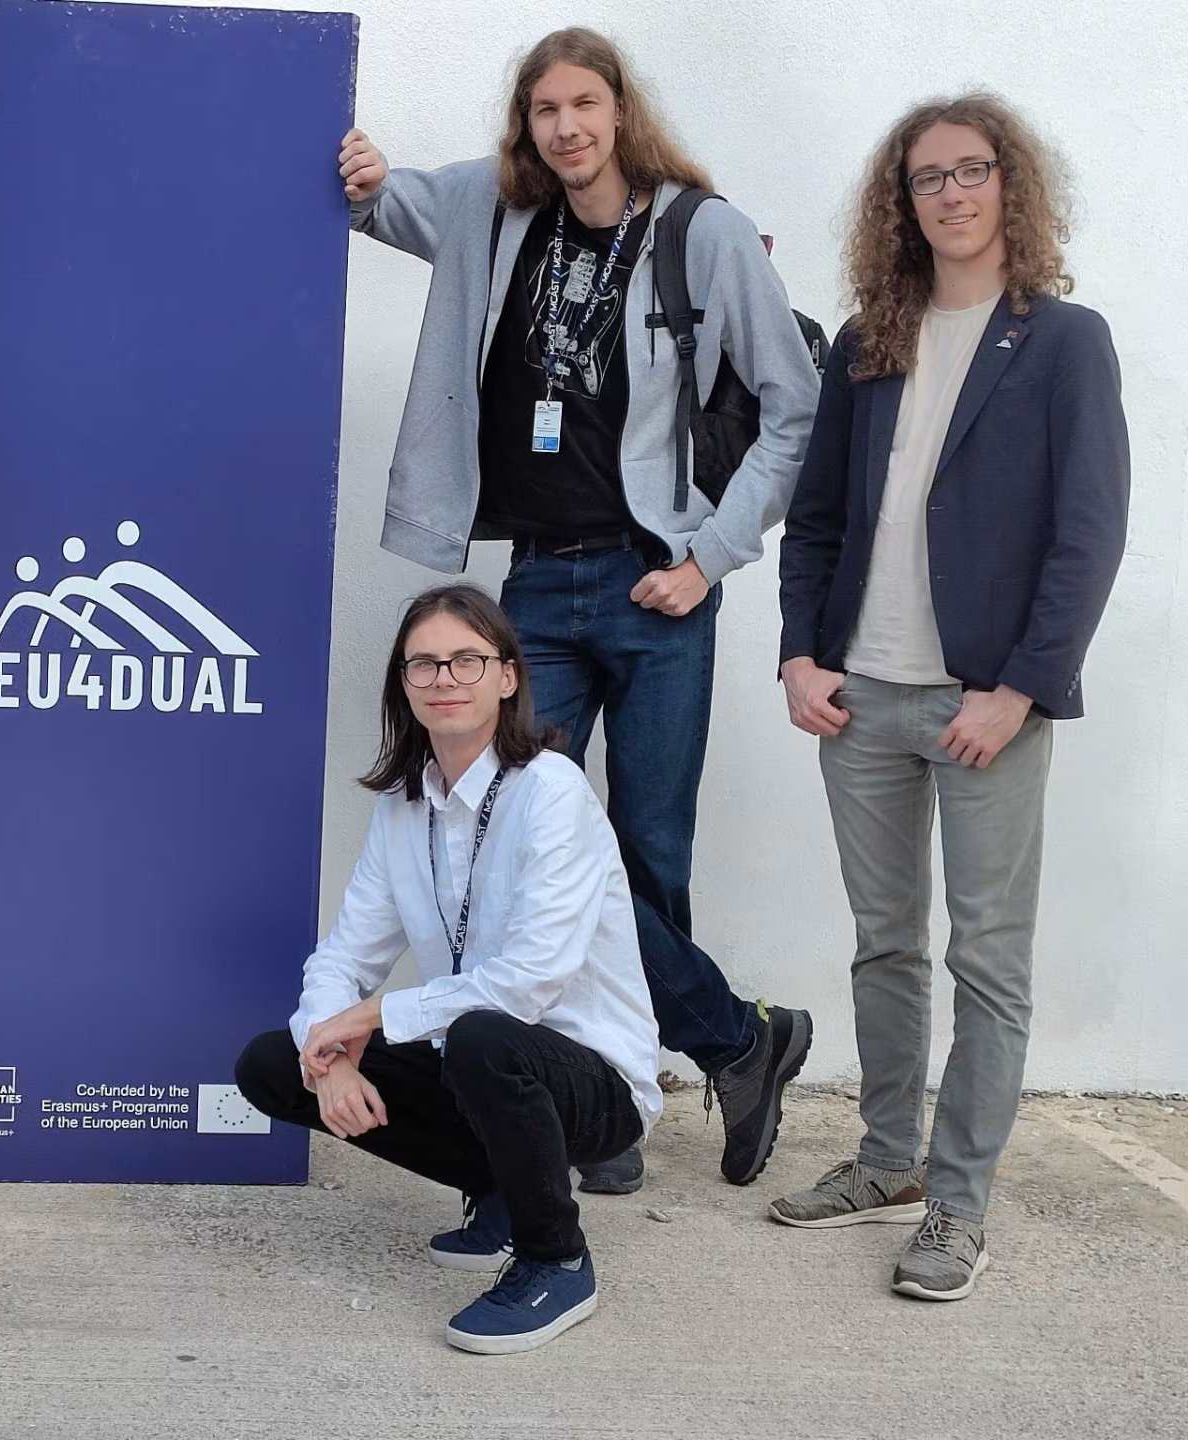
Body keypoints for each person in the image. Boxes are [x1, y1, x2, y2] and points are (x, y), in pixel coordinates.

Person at [337, 27, 817, 1194]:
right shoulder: (492, 208)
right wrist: (362, 170)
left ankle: (616, 1098)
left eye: (584, 104)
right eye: (544, 108)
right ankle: (739, 1040)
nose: (565, 128)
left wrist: (708, 557)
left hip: (657, 584)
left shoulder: (702, 232)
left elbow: (795, 407)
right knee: (516, 835)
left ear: (620, 110)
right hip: (539, 584)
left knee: (646, 852)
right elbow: (378, 204)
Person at [771, 94, 1129, 1301]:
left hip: (985, 708)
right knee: (884, 945)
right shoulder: (869, 340)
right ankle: (887, 1162)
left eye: (973, 170)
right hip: (861, 698)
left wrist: (1020, 690)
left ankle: (958, 1206)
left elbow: (1087, 535)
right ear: (904, 202)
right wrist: (800, 656)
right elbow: (817, 516)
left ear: (1009, 184)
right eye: (929, 178)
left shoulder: (1065, 341)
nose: (953, 193)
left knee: (988, 962)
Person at [235, 584, 660, 1355]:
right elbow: (344, 956)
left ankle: (557, 1260)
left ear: (507, 676)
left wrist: (372, 1016)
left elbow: (529, 982)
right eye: (424, 664)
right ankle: (499, 1191)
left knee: (481, 1037)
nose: (445, 678)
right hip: (475, 1064)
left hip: (590, 1079)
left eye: (467, 660)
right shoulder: (404, 808)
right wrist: (328, 1054)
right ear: (403, 684)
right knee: (273, 1064)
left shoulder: (551, 792)